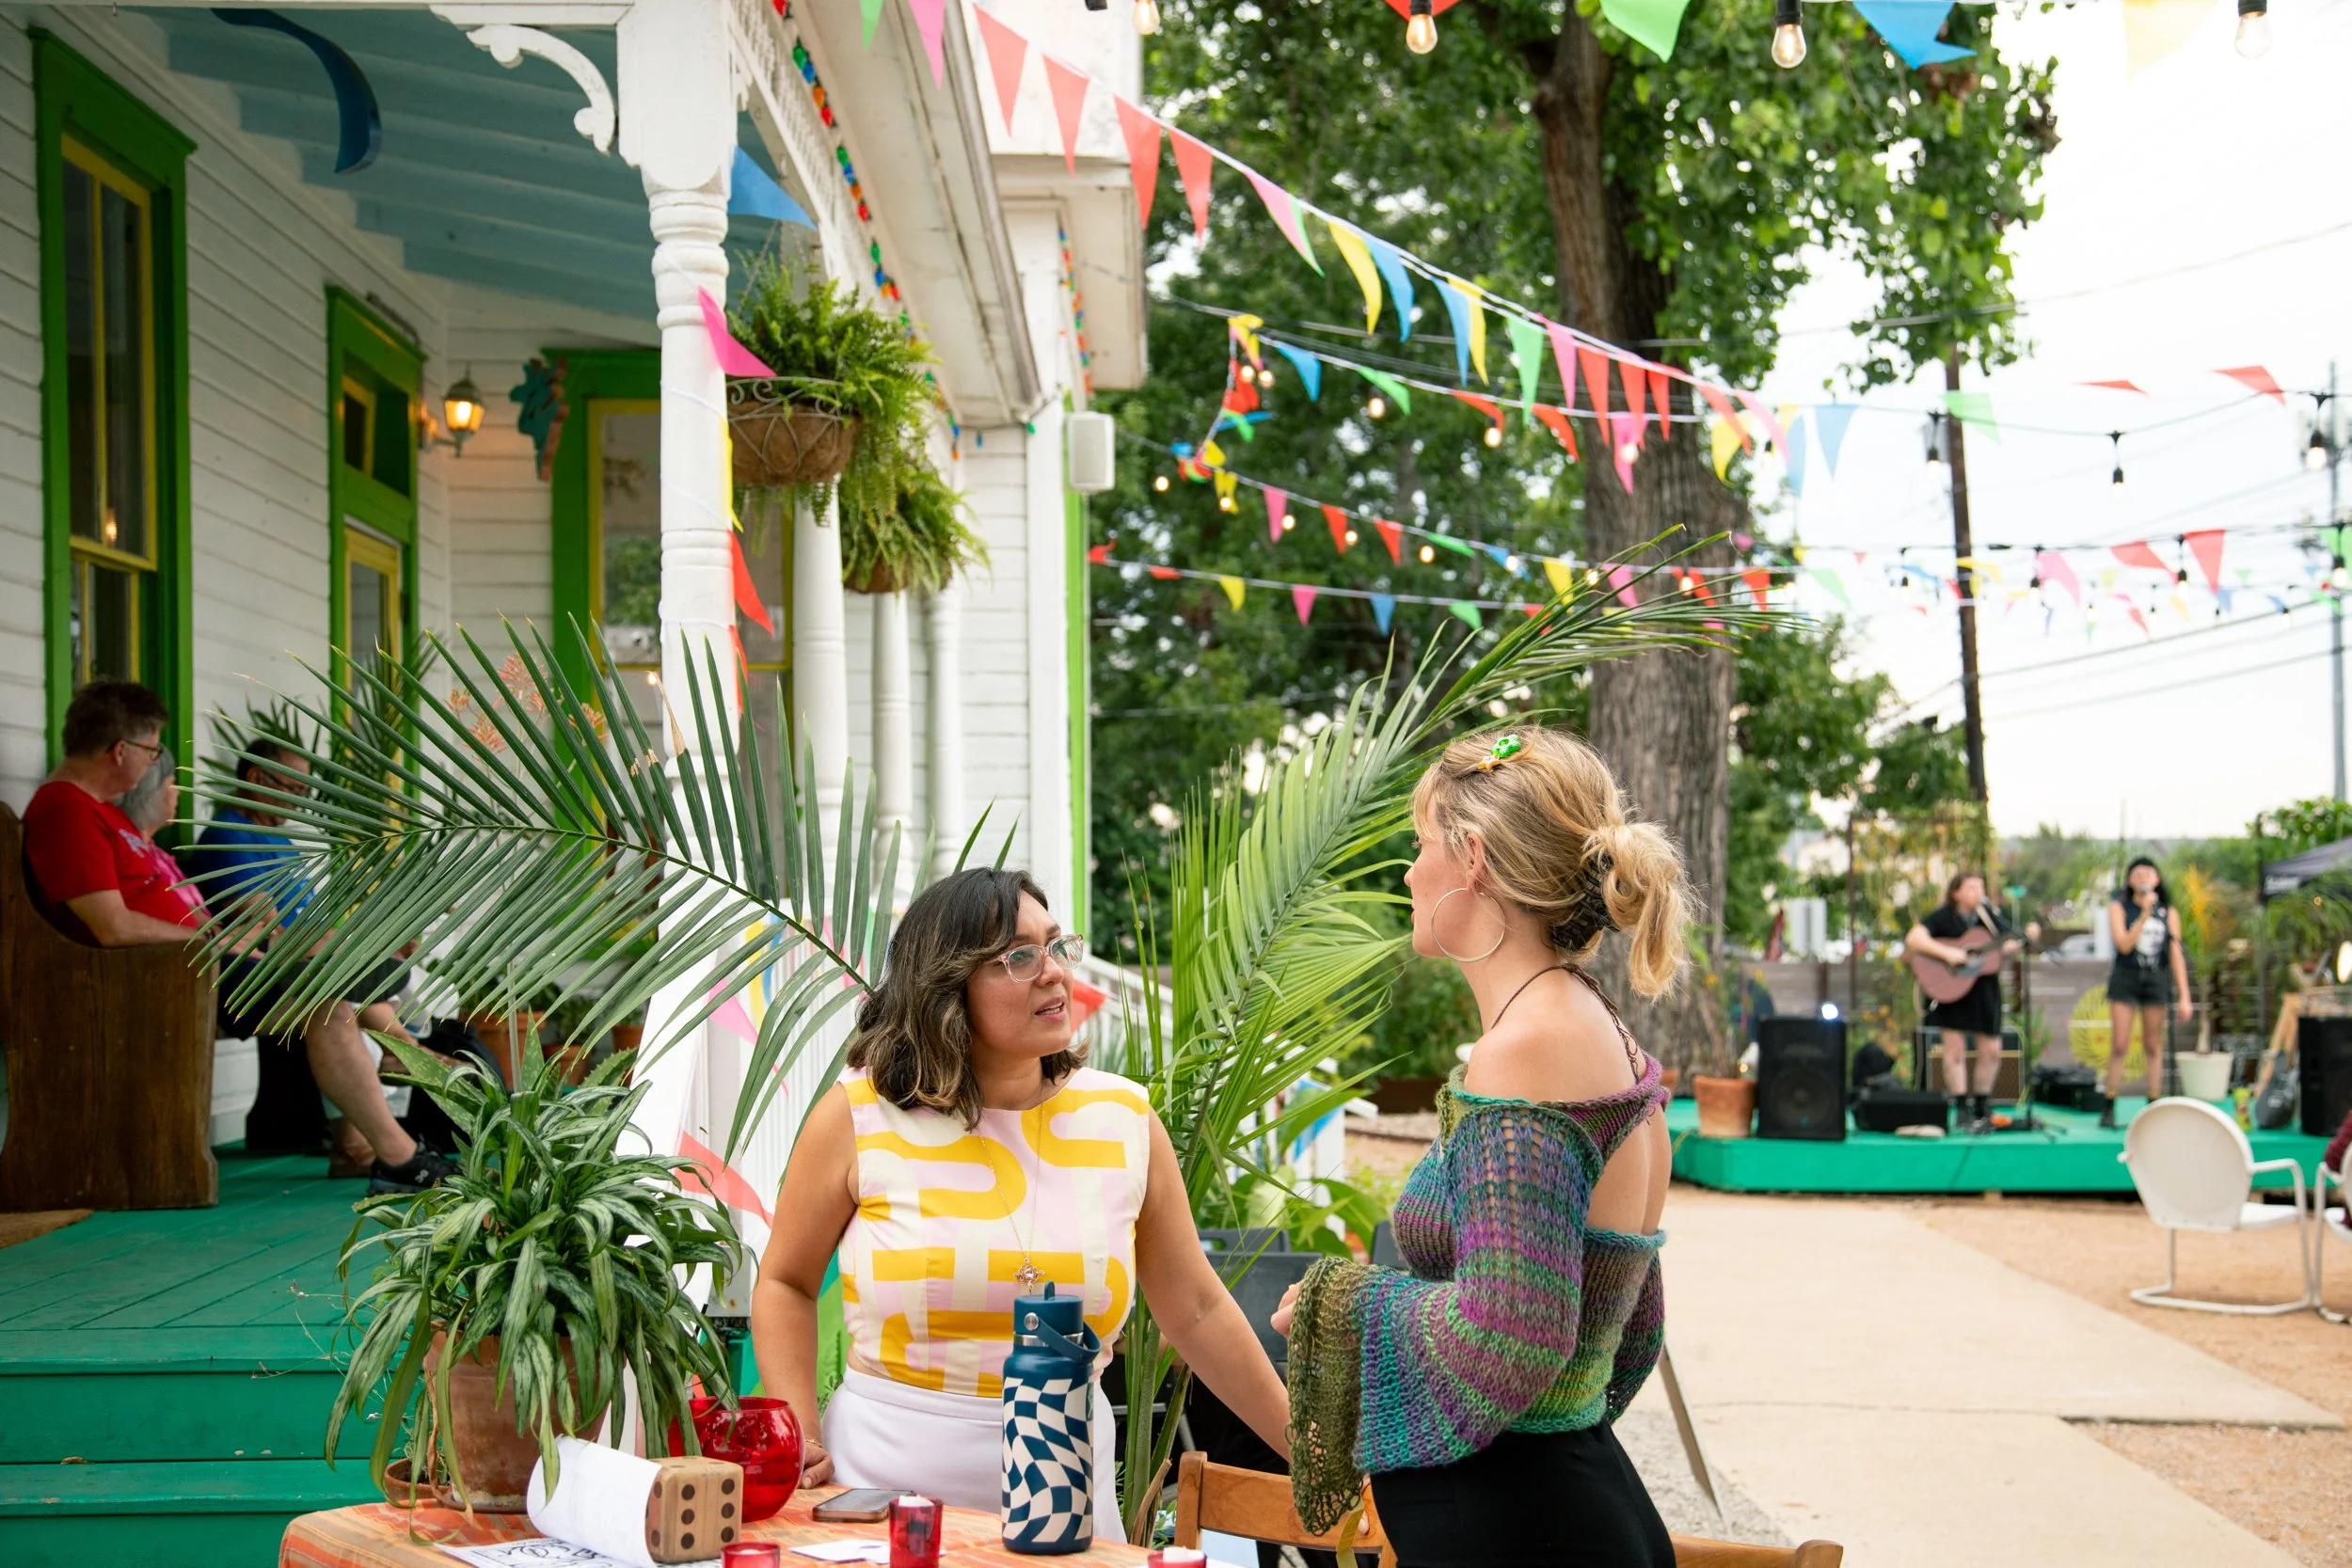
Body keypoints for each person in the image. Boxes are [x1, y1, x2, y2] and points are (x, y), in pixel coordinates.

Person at [750, 867, 1290, 1539]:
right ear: (948, 987)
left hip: (1068, 1505)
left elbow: (1198, 1308)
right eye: (1020, 956)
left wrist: (1313, 1454)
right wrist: (799, 1430)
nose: (1055, 972)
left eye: (1058, 946)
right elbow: (785, 1280)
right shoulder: (860, 1114)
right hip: (880, 1501)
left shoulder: (1122, 1117)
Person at [1271, 726, 1685, 1568]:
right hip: (1568, 1503)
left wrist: (1342, 1305)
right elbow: (1629, 1323)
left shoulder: (1526, 1049)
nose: (1409, 871)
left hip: (1514, 1527)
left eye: (1422, 845)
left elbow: (1515, 1331)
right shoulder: (1608, 1039)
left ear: (1473, 859)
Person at [171, 723, 449, 1194]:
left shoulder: (278, 841)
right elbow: (275, 930)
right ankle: (402, 1054)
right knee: (334, 994)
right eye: (293, 789)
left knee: (357, 979)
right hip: (246, 977)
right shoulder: (228, 836)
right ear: (259, 779)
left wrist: (365, 939)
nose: (299, 804)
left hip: (293, 966)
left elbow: (309, 919)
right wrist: (349, 945)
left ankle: (369, 1122)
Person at [1904, 872, 2032, 1125]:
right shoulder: (1943, 917)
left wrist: (2020, 942)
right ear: (1956, 892)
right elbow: (1914, 939)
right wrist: (1949, 953)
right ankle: (1961, 1105)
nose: (1978, 892)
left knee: (1992, 1050)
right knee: (1955, 1051)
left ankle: (1982, 1105)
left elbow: (2004, 946)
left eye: (1980, 887)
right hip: (1952, 991)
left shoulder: (1990, 919)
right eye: (1971, 887)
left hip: (1984, 991)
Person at [2100, 857, 2194, 1129]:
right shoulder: (2119, 907)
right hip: (2126, 978)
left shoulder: (2168, 912)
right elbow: (2124, 945)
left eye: (2148, 873)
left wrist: (2184, 995)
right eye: (2137, 873)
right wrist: (2143, 914)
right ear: (2129, 881)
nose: (2142, 878)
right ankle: (2109, 1102)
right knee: (2120, 1044)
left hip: (2156, 979)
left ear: (2157, 879)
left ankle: (2153, 1102)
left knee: (2153, 1044)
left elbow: (2175, 953)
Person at [113, 745, 205, 927]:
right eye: (172, 782)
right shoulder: (131, 853)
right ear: (147, 791)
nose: (177, 792)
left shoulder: (155, 853)